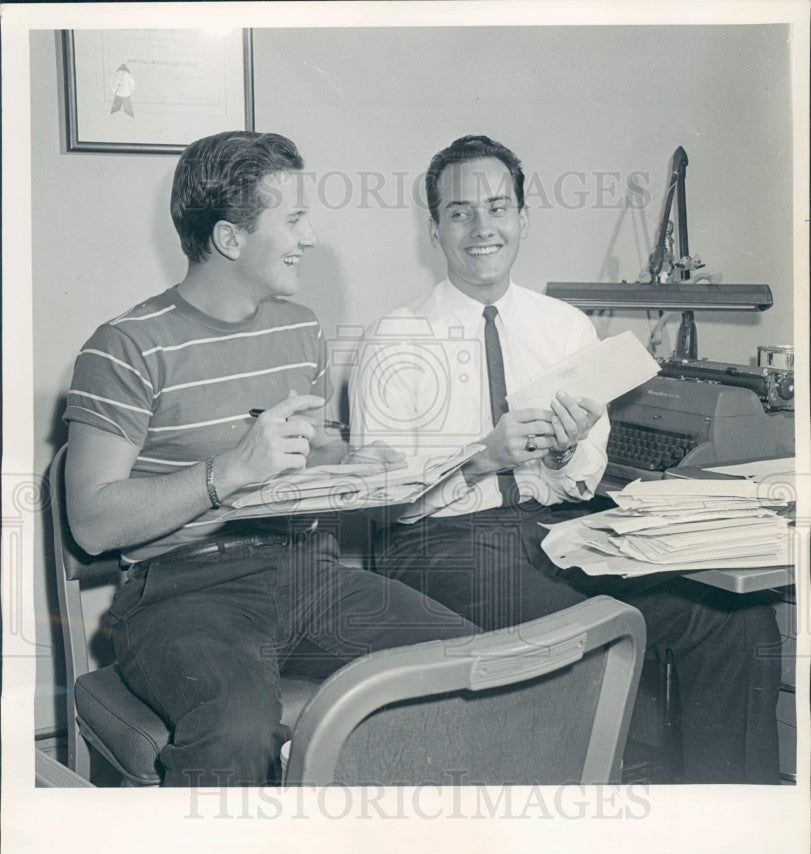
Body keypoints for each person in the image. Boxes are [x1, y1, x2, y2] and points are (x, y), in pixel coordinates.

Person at [349, 134, 782, 783]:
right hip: (434, 542)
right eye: (459, 211)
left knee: (730, 618)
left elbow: (579, 479)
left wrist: (563, 451)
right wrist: (480, 457)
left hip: (547, 527)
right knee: (588, 627)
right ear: (434, 227)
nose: (480, 227)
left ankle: (727, 825)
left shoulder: (564, 328)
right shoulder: (393, 338)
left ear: (522, 218)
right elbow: (379, 498)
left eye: (497, 207)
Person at [63, 130, 477, 788]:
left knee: (476, 667)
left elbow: (301, 463)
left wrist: (353, 462)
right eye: (293, 219)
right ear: (231, 239)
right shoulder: (123, 347)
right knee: (236, 731)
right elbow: (90, 518)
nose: (308, 237)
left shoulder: (299, 328)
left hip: (307, 573)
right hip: (181, 595)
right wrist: (225, 473)